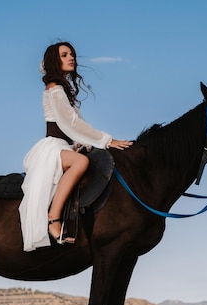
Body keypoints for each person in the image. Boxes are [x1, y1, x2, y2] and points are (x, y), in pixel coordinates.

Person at [19, 41, 132, 252]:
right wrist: (107, 140)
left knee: (83, 157)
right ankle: (53, 218)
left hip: (64, 144)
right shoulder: (54, 89)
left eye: (72, 54)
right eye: (64, 55)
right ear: (54, 60)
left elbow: (76, 126)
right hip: (52, 146)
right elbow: (71, 123)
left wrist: (84, 142)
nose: (71, 58)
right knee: (80, 162)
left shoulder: (64, 90)